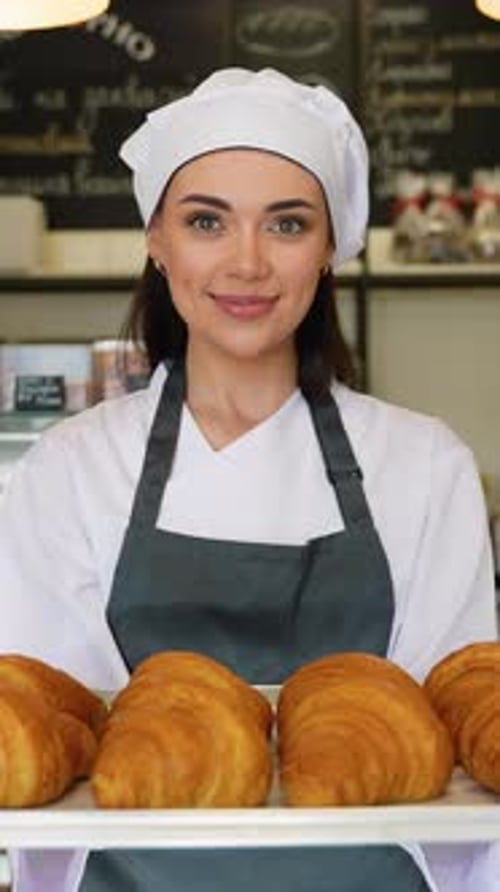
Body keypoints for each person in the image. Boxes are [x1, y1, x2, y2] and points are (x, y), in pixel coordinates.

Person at [0, 67, 498, 892]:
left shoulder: (424, 467)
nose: (246, 263)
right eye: (206, 221)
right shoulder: (73, 468)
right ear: (157, 242)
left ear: (330, 250)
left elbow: (462, 752)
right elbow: (52, 743)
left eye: (288, 224)